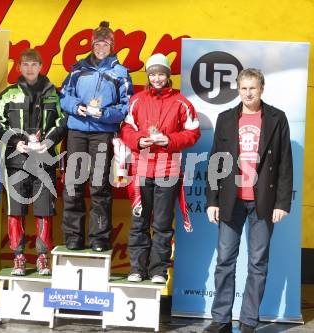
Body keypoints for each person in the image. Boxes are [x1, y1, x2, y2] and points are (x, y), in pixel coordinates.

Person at [204, 68, 293, 333]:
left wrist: (281, 203)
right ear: (238, 89)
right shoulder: (226, 118)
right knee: (224, 261)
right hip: (231, 200)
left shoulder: (278, 118)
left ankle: (248, 321)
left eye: (252, 88)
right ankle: (220, 320)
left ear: (262, 89)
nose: (248, 93)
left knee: (257, 263)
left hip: (263, 202)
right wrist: (212, 200)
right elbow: (215, 162)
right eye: (243, 88)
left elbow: (285, 163)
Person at [120, 53, 200, 283]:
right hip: (141, 170)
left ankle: (158, 271)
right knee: (139, 222)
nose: (157, 78)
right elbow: (126, 129)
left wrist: (170, 141)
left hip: (168, 171)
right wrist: (138, 140)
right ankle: (137, 269)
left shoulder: (181, 102)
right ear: (148, 76)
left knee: (163, 225)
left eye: (161, 74)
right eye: (152, 74)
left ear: (168, 76)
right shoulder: (137, 100)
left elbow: (193, 132)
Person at [59, 21, 133, 252]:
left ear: (112, 46)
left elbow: (126, 106)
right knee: (73, 184)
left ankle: (99, 237)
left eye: (106, 43)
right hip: (77, 131)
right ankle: (73, 236)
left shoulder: (120, 72)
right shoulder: (78, 68)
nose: (101, 47)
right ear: (92, 45)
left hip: (102, 133)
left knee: (100, 186)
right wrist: (76, 107)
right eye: (98, 43)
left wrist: (105, 113)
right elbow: (64, 96)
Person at [0, 48, 66, 276]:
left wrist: (49, 141)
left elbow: (63, 122)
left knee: (45, 210)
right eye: (25, 64)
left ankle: (43, 257)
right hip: (16, 160)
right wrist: (16, 142)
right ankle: (19, 257)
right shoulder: (7, 94)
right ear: (18, 67)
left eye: (34, 64)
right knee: (16, 209)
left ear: (41, 67)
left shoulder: (54, 93)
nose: (30, 68)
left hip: (44, 160)